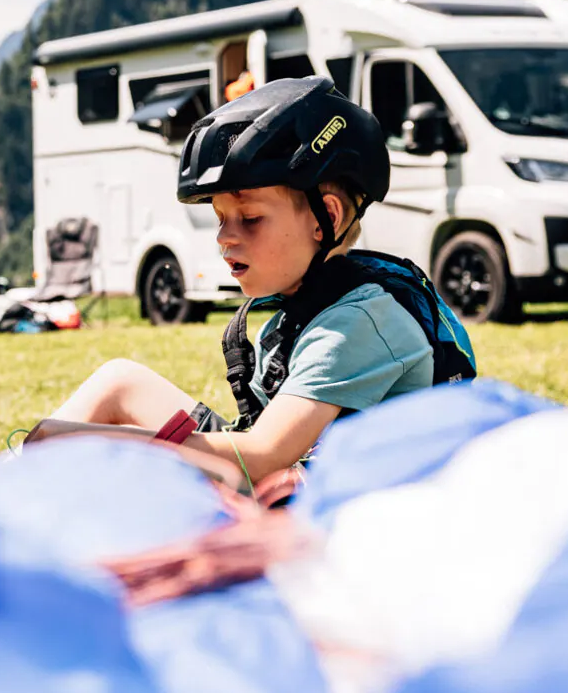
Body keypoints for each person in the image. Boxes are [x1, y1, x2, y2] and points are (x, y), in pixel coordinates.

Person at [26, 76, 476, 489]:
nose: (225, 237)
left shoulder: (359, 323)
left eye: (251, 218)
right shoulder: (303, 311)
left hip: (335, 522)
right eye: (221, 218)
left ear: (328, 218)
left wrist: (93, 442)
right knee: (119, 381)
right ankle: (14, 489)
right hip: (297, 488)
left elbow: (260, 458)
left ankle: (10, 501)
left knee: (91, 454)